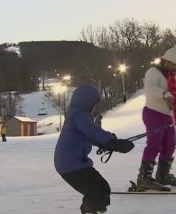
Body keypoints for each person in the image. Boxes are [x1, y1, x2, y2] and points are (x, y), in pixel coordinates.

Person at [54, 84, 134, 214]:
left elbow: (91, 136)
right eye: (94, 104)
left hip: (70, 163)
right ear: (86, 102)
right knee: (98, 190)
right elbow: (93, 132)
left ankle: (90, 210)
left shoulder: (76, 114)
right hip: (71, 164)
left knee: (98, 189)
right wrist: (113, 142)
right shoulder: (79, 115)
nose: (95, 107)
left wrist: (108, 143)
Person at [136, 45, 176, 191]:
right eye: (172, 63)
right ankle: (144, 178)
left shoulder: (169, 76)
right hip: (153, 112)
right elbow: (150, 89)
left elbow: (173, 95)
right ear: (165, 61)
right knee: (154, 145)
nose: (174, 67)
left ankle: (163, 175)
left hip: (167, 115)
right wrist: (165, 95)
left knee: (170, 144)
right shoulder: (153, 72)